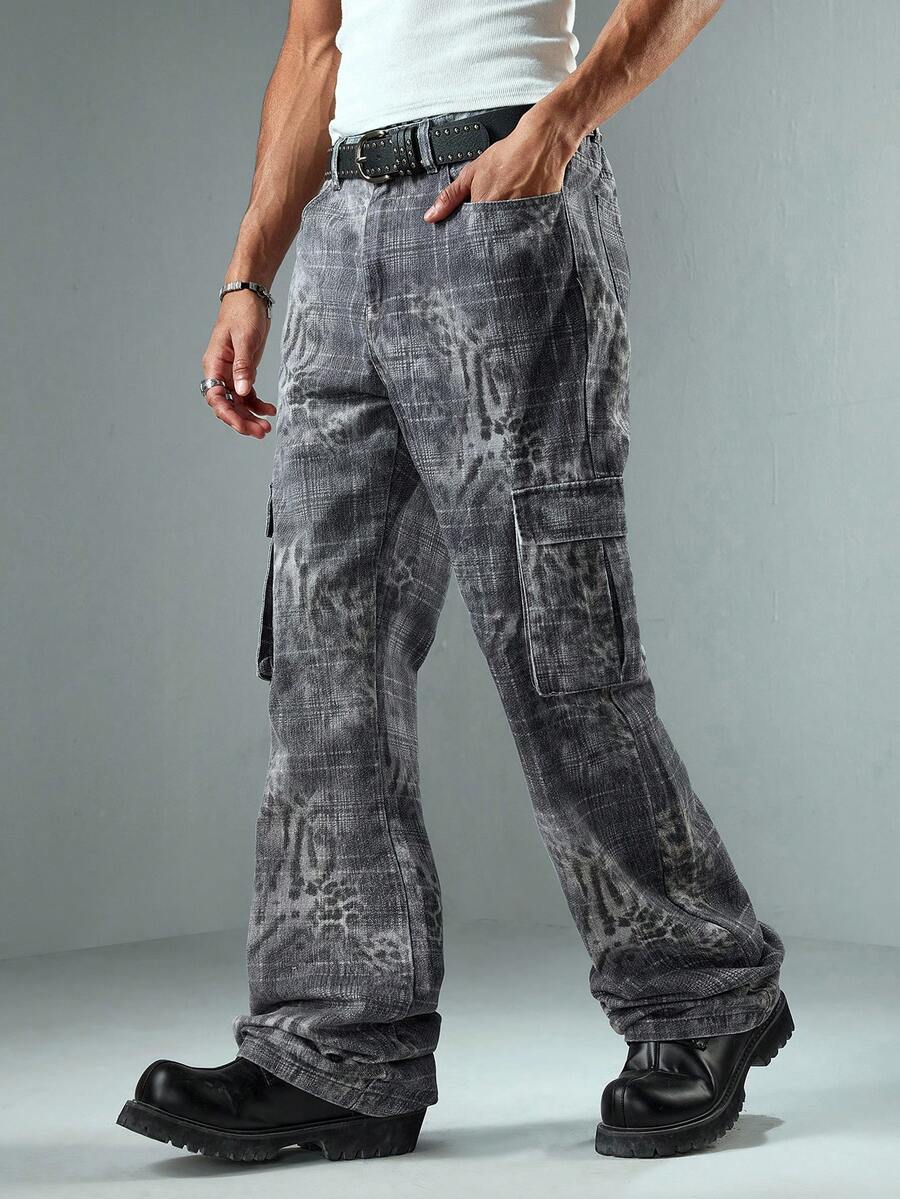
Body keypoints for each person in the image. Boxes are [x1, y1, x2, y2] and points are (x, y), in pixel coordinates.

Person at [118, 0, 791, 1163]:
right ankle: (337, 1047)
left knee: (554, 636)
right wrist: (250, 273)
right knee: (323, 647)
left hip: (502, 197)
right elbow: (316, 43)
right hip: (344, 229)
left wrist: (559, 126)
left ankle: (701, 988)